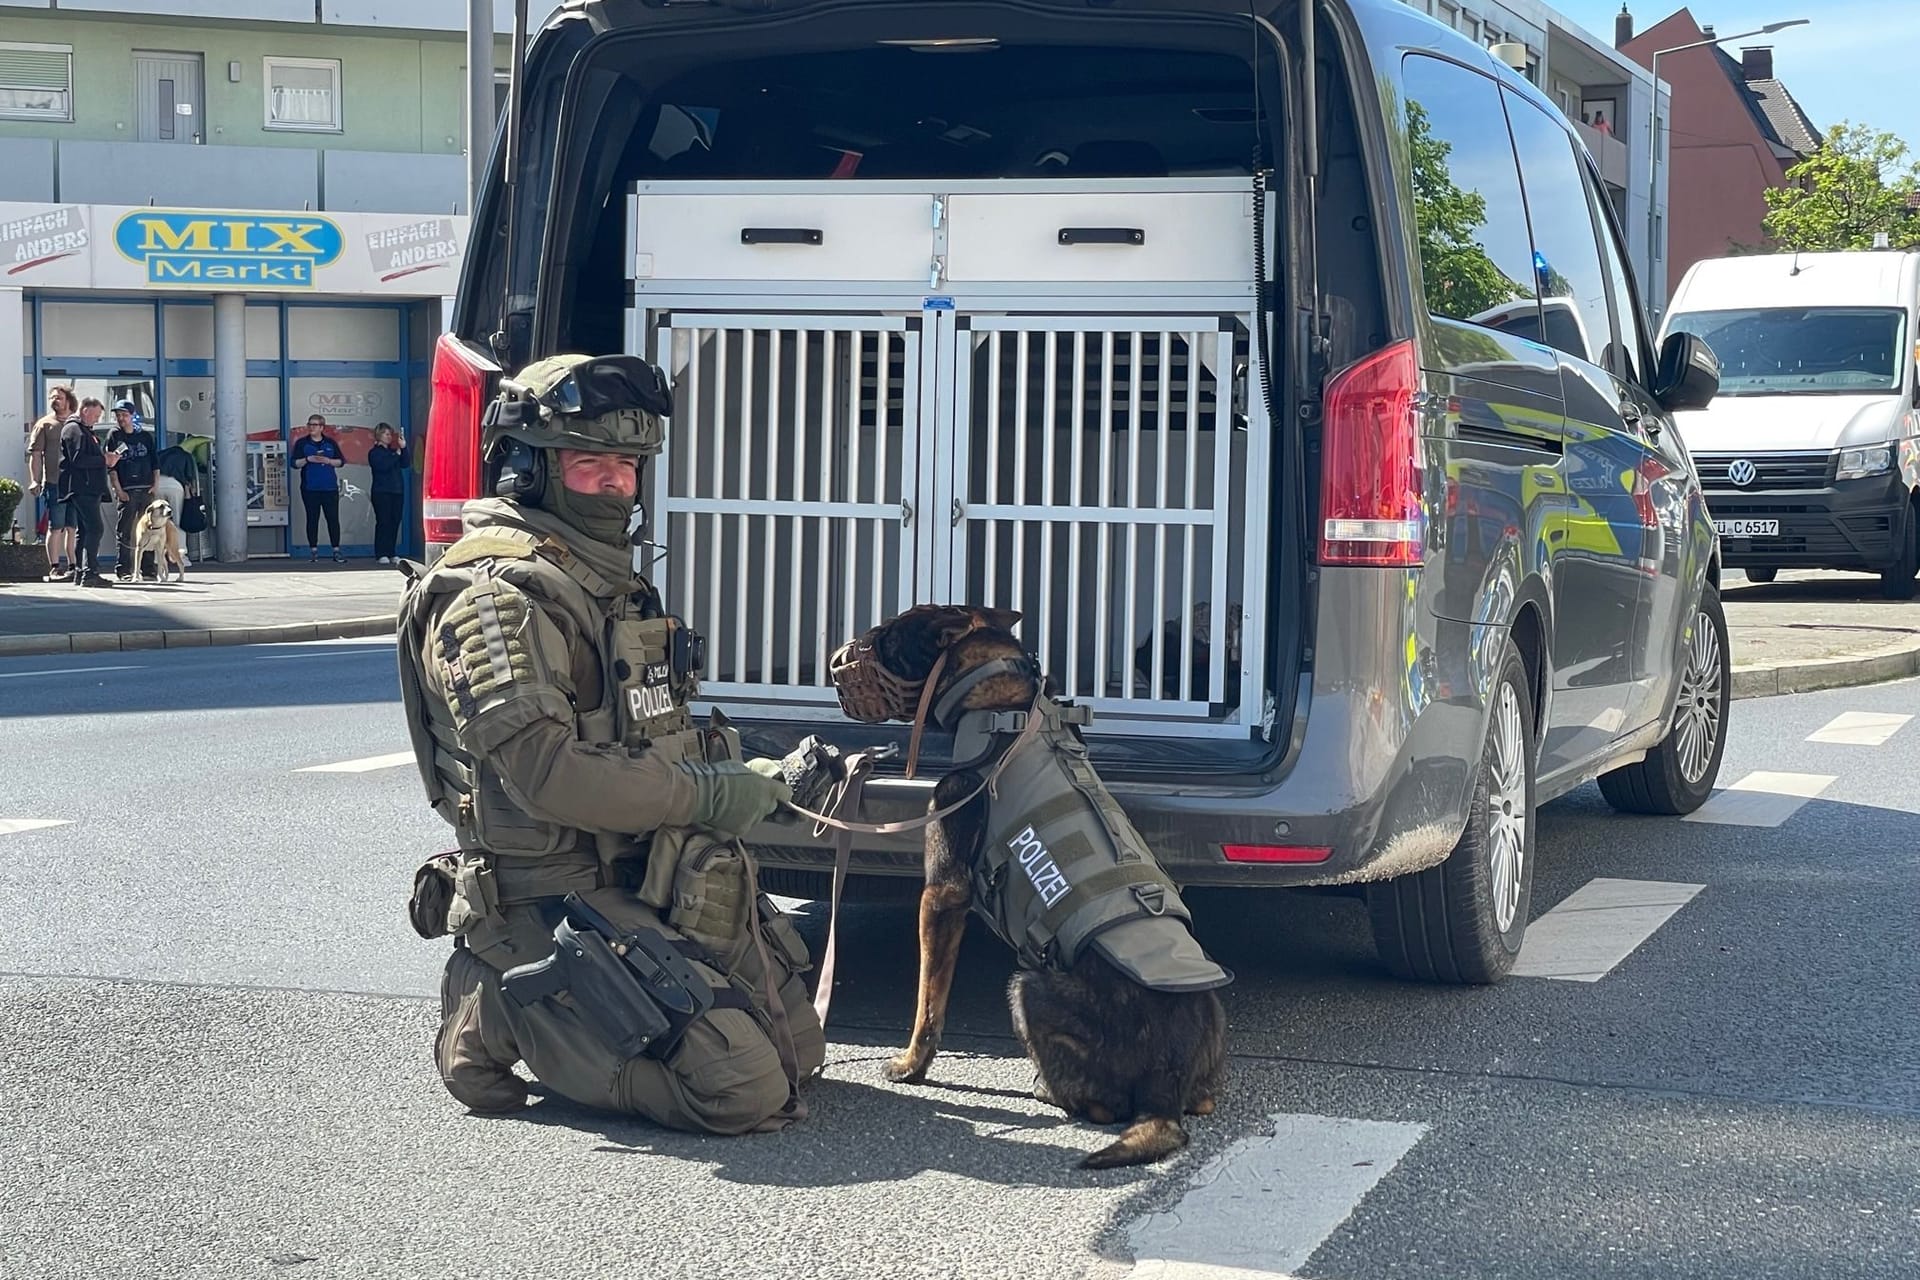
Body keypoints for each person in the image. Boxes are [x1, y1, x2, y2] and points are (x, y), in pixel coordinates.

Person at [396, 353, 823, 1134]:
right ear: (528, 470)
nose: (616, 485)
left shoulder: (601, 580)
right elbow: (547, 776)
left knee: (803, 1057)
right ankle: (496, 999)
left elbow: (642, 726)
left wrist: (737, 769)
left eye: (627, 465)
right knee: (742, 1094)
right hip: (550, 888)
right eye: (589, 463)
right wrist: (709, 793)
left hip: (643, 866)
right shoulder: (496, 598)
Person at [58, 396, 111, 588]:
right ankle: (90, 572)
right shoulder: (75, 430)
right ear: (85, 410)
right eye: (95, 415)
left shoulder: (82, 430)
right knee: (95, 528)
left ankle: (81, 572)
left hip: (85, 487)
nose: (97, 419)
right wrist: (104, 460)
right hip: (83, 488)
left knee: (85, 529)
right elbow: (78, 459)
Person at [106, 399, 160, 581]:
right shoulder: (114, 435)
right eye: (118, 415)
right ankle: (124, 569)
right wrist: (118, 490)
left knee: (148, 530)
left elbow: (155, 462)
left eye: (124, 415)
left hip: (146, 489)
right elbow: (111, 466)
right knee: (125, 530)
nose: (121, 418)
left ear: (132, 416)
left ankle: (148, 568)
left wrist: (155, 483)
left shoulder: (145, 436)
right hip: (127, 490)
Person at [27, 387, 76, 581]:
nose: (55, 400)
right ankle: (55, 566)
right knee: (56, 526)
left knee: (73, 527)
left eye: (59, 397)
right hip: (54, 482)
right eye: (52, 397)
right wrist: (35, 480)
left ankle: (74, 564)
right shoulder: (45, 424)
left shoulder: (76, 422)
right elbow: (36, 455)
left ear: (68, 400)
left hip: (75, 484)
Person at [290, 414, 345, 562]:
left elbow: (341, 461)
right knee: (312, 518)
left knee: (333, 518)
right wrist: (308, 459)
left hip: (329, 487)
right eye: (310, 424)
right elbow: (294, 464)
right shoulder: (302, 443)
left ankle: (336, 550)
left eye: (315, 425)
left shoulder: (330, 443)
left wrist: (328, 461)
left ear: (322, 427)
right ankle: (313, 550)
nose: (311, 427)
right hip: (310, 487)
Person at [367, 422, 409, 565]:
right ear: (379, 435)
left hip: (396, 491)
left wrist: (403, 449)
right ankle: (381, 553)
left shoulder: (393, 452)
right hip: (381, 491)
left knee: (395, 521)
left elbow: (405, 463)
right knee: (383, 522)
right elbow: (383, 467)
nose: (389, 437)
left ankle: (391, 552)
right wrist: (396, 455)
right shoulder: (375, 452)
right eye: (386, 434)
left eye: (390, 434)